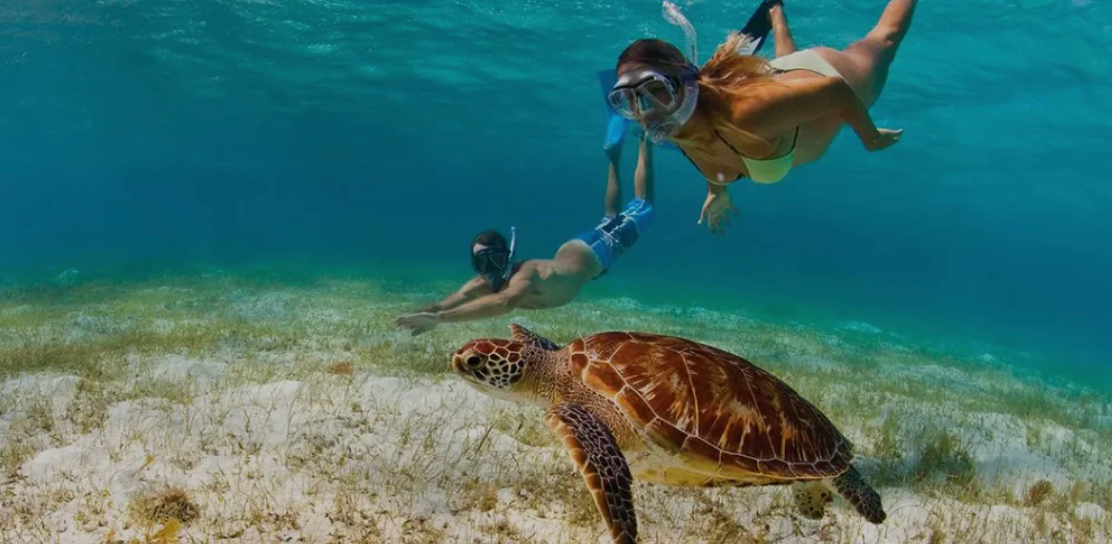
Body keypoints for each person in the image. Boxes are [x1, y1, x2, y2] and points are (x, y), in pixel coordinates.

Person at [607, 0, 917, 234]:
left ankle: (777, 15)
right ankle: (775, 13)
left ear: (684, 85)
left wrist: (870, 137)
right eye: (629, 100)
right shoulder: (679, 127)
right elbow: (708, 153)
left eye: (655, 90)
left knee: (885, 39)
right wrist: (718, 191)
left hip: (827, 74)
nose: (646, 111)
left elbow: (836, 91)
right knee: (782, 75)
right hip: (780, 82)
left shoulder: (749, 114)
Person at [394, 133, 656, 336]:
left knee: (643, 206)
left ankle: (645, 140)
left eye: (494, 261)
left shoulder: (526, 275)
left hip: (597, 250)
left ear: (508, 256)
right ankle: (613, 157)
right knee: (610, 217)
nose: (490, 270)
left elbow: (504, 302)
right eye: (482, 264)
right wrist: (418, 317)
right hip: (578, 255)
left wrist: (442, 320)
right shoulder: (481, 284)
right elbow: (441, 305)